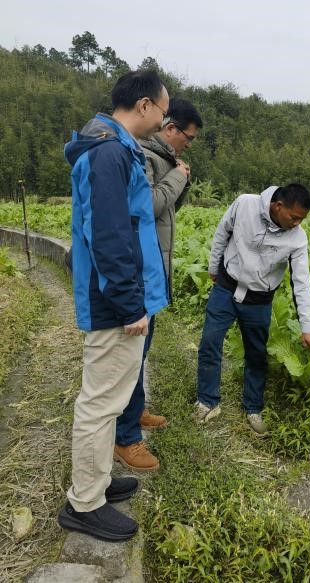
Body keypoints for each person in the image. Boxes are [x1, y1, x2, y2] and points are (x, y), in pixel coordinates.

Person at [58, 70, 170, 542]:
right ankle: (84, 505)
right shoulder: (109, 153)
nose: (163, 122)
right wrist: (129, 305)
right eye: (163, 112)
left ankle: (99, 482)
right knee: (100, 404)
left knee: (110, 400)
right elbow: (109, 235)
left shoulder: (114, 148)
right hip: (113, 304)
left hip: (117, 298)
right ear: (144, 105)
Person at [114, 98, 203, 472]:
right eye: (188, 137)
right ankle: (125, 437)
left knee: (142, 352)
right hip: (139, 272)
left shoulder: (164, 160)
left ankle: (135, 411)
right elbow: (148, 206)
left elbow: (168, 209)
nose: (189, 144)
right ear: (170, 128)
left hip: (152, 272)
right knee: (130, 357)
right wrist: (178, 176)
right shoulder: (146, 157)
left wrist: (180, 177)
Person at [195, 184, 310, 436]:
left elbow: (301, 282)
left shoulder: (297, 238)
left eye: (302, 219)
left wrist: (308, 327)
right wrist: (214, 267)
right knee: (210, 342)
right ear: (278, 206)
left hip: (259, 300)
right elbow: (222, 232)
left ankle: (253, 407)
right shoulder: (245, 204)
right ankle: (207, 401)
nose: (297, 224)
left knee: (256, 354)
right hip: (227, 287)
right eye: (294, 217)